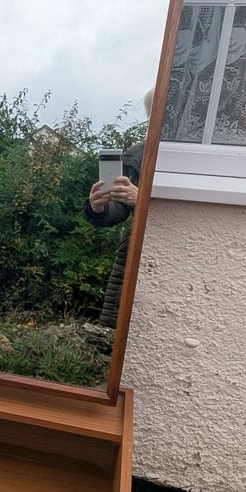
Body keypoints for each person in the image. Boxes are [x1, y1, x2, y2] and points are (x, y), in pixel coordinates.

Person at [83, 89, 152, 328]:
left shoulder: (191, 156)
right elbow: (118, 210)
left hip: (172, 254)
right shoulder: (137, 155)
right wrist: (98, 208)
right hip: (133, 252)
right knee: (119, 330)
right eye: (153, 111)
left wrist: (143, 200)